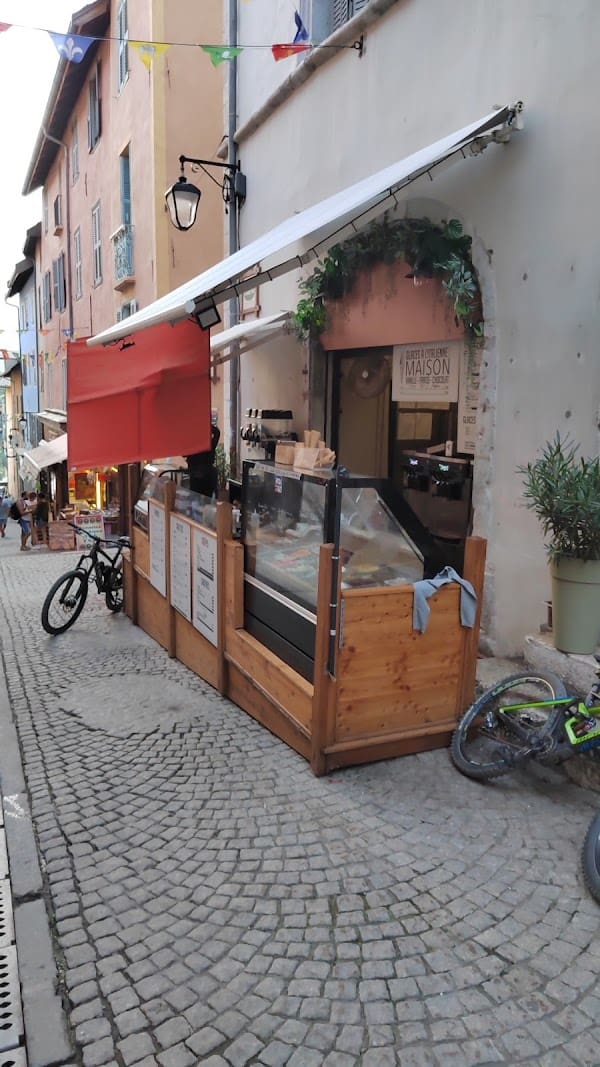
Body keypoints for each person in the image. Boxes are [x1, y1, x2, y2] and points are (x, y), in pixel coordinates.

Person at [185, 418, 221, 499]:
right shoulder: (208, 445)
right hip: (206, 474)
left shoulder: (193, 446)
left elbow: (184, 453)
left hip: (199, 474)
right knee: (205, 500)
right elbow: (217, 433)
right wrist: (205, 425)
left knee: (196, 500)